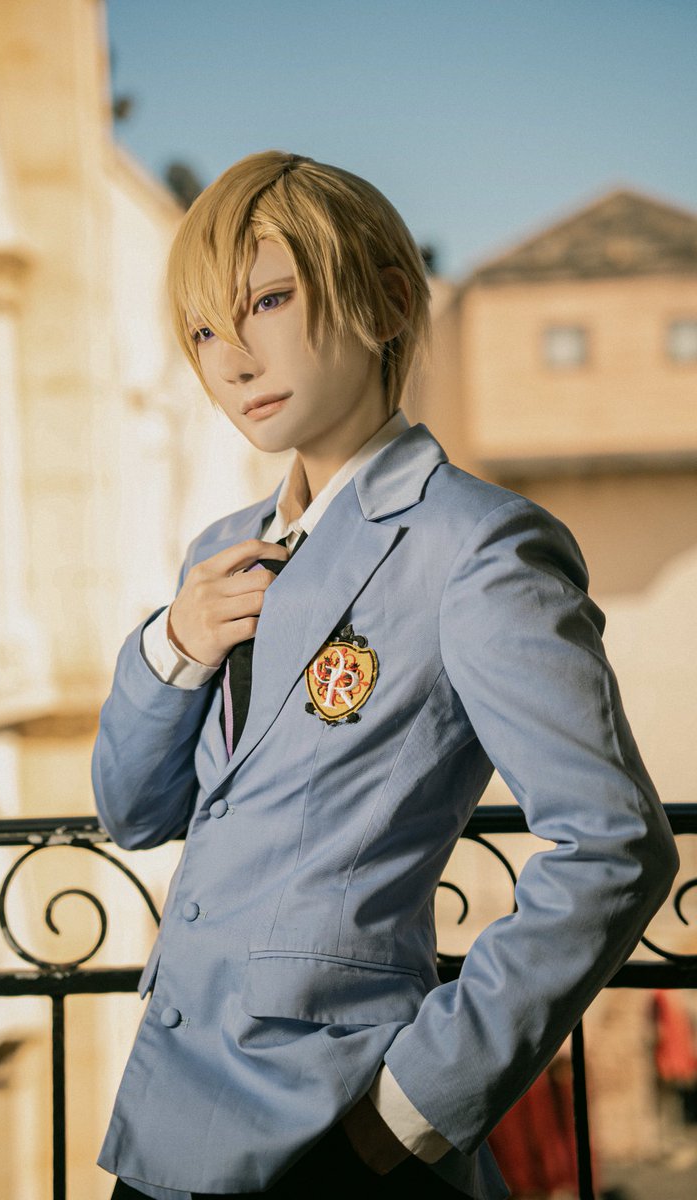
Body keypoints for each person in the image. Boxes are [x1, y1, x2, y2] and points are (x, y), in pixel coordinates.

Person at [93, 151, 678, 1200]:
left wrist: (408, 1114)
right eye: (204, 331)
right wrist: (171, 644)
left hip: (338, 1127)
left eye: (269, 301)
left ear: (388, 301)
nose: (234, 360)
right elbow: (133, 815)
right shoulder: (222, 551)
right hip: (165, 1124)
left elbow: (613, 846)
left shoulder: (478, 546)